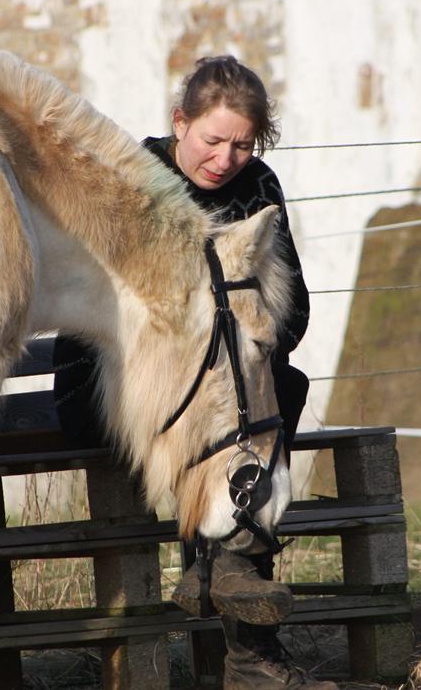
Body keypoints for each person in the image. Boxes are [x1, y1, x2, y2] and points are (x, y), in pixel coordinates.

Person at [53, 56, 333, 690]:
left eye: (242, 145)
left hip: (216, 399)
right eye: (213, 139)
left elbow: (292, 316)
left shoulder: (258, 187)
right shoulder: (130, 178)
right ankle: (240, 610)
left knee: (279, 387)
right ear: (180, 122)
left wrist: (239, 346)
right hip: (108, 385)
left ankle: (224, 571)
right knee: (229, 406)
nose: (226, 158)